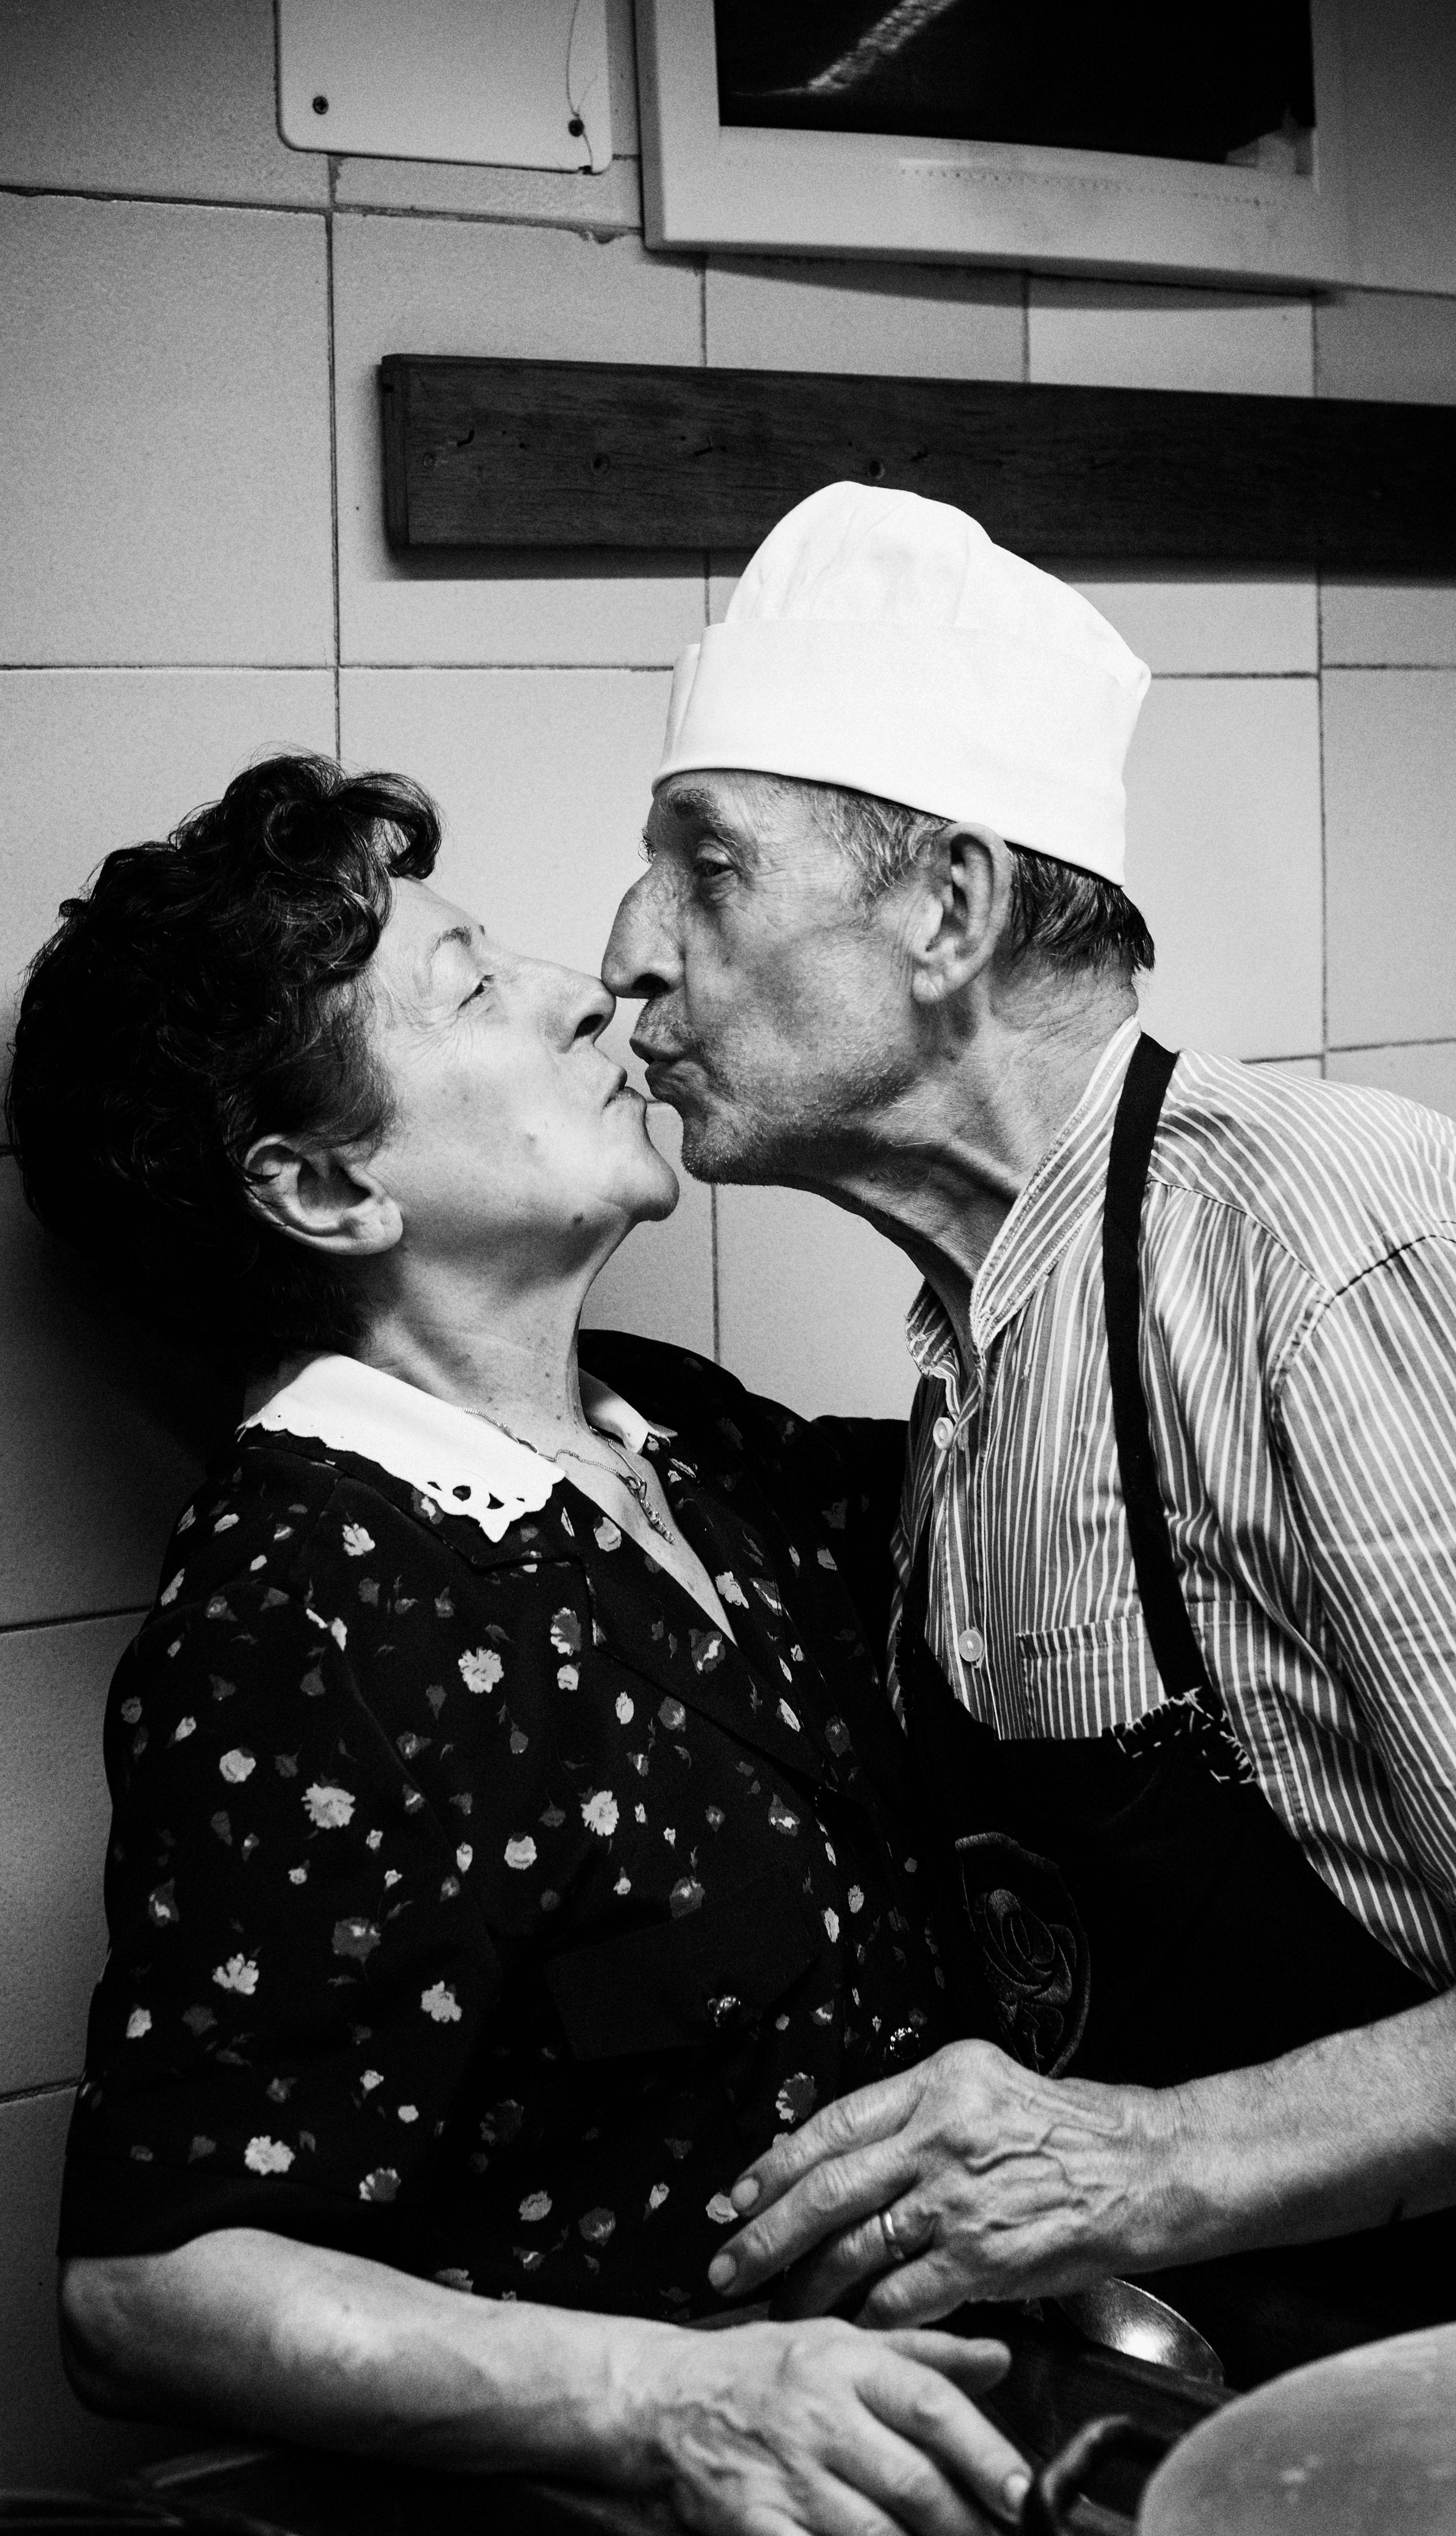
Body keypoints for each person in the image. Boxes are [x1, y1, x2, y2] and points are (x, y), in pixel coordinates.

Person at [601, 480, 1456, 2388]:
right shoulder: (985, 1331)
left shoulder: (1324, 1247)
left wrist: (1149, 2161)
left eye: (707, 866)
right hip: (1219, 2390)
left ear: (949, 907)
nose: (630, 949)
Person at [7, 753, 1031, 2530]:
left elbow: (1027, 1510)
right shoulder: (311, 1603)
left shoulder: (680, 1438)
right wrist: (677, 2400)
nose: (592, 990)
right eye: (475, 983)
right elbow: (150, 2290)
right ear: (327, 1193)